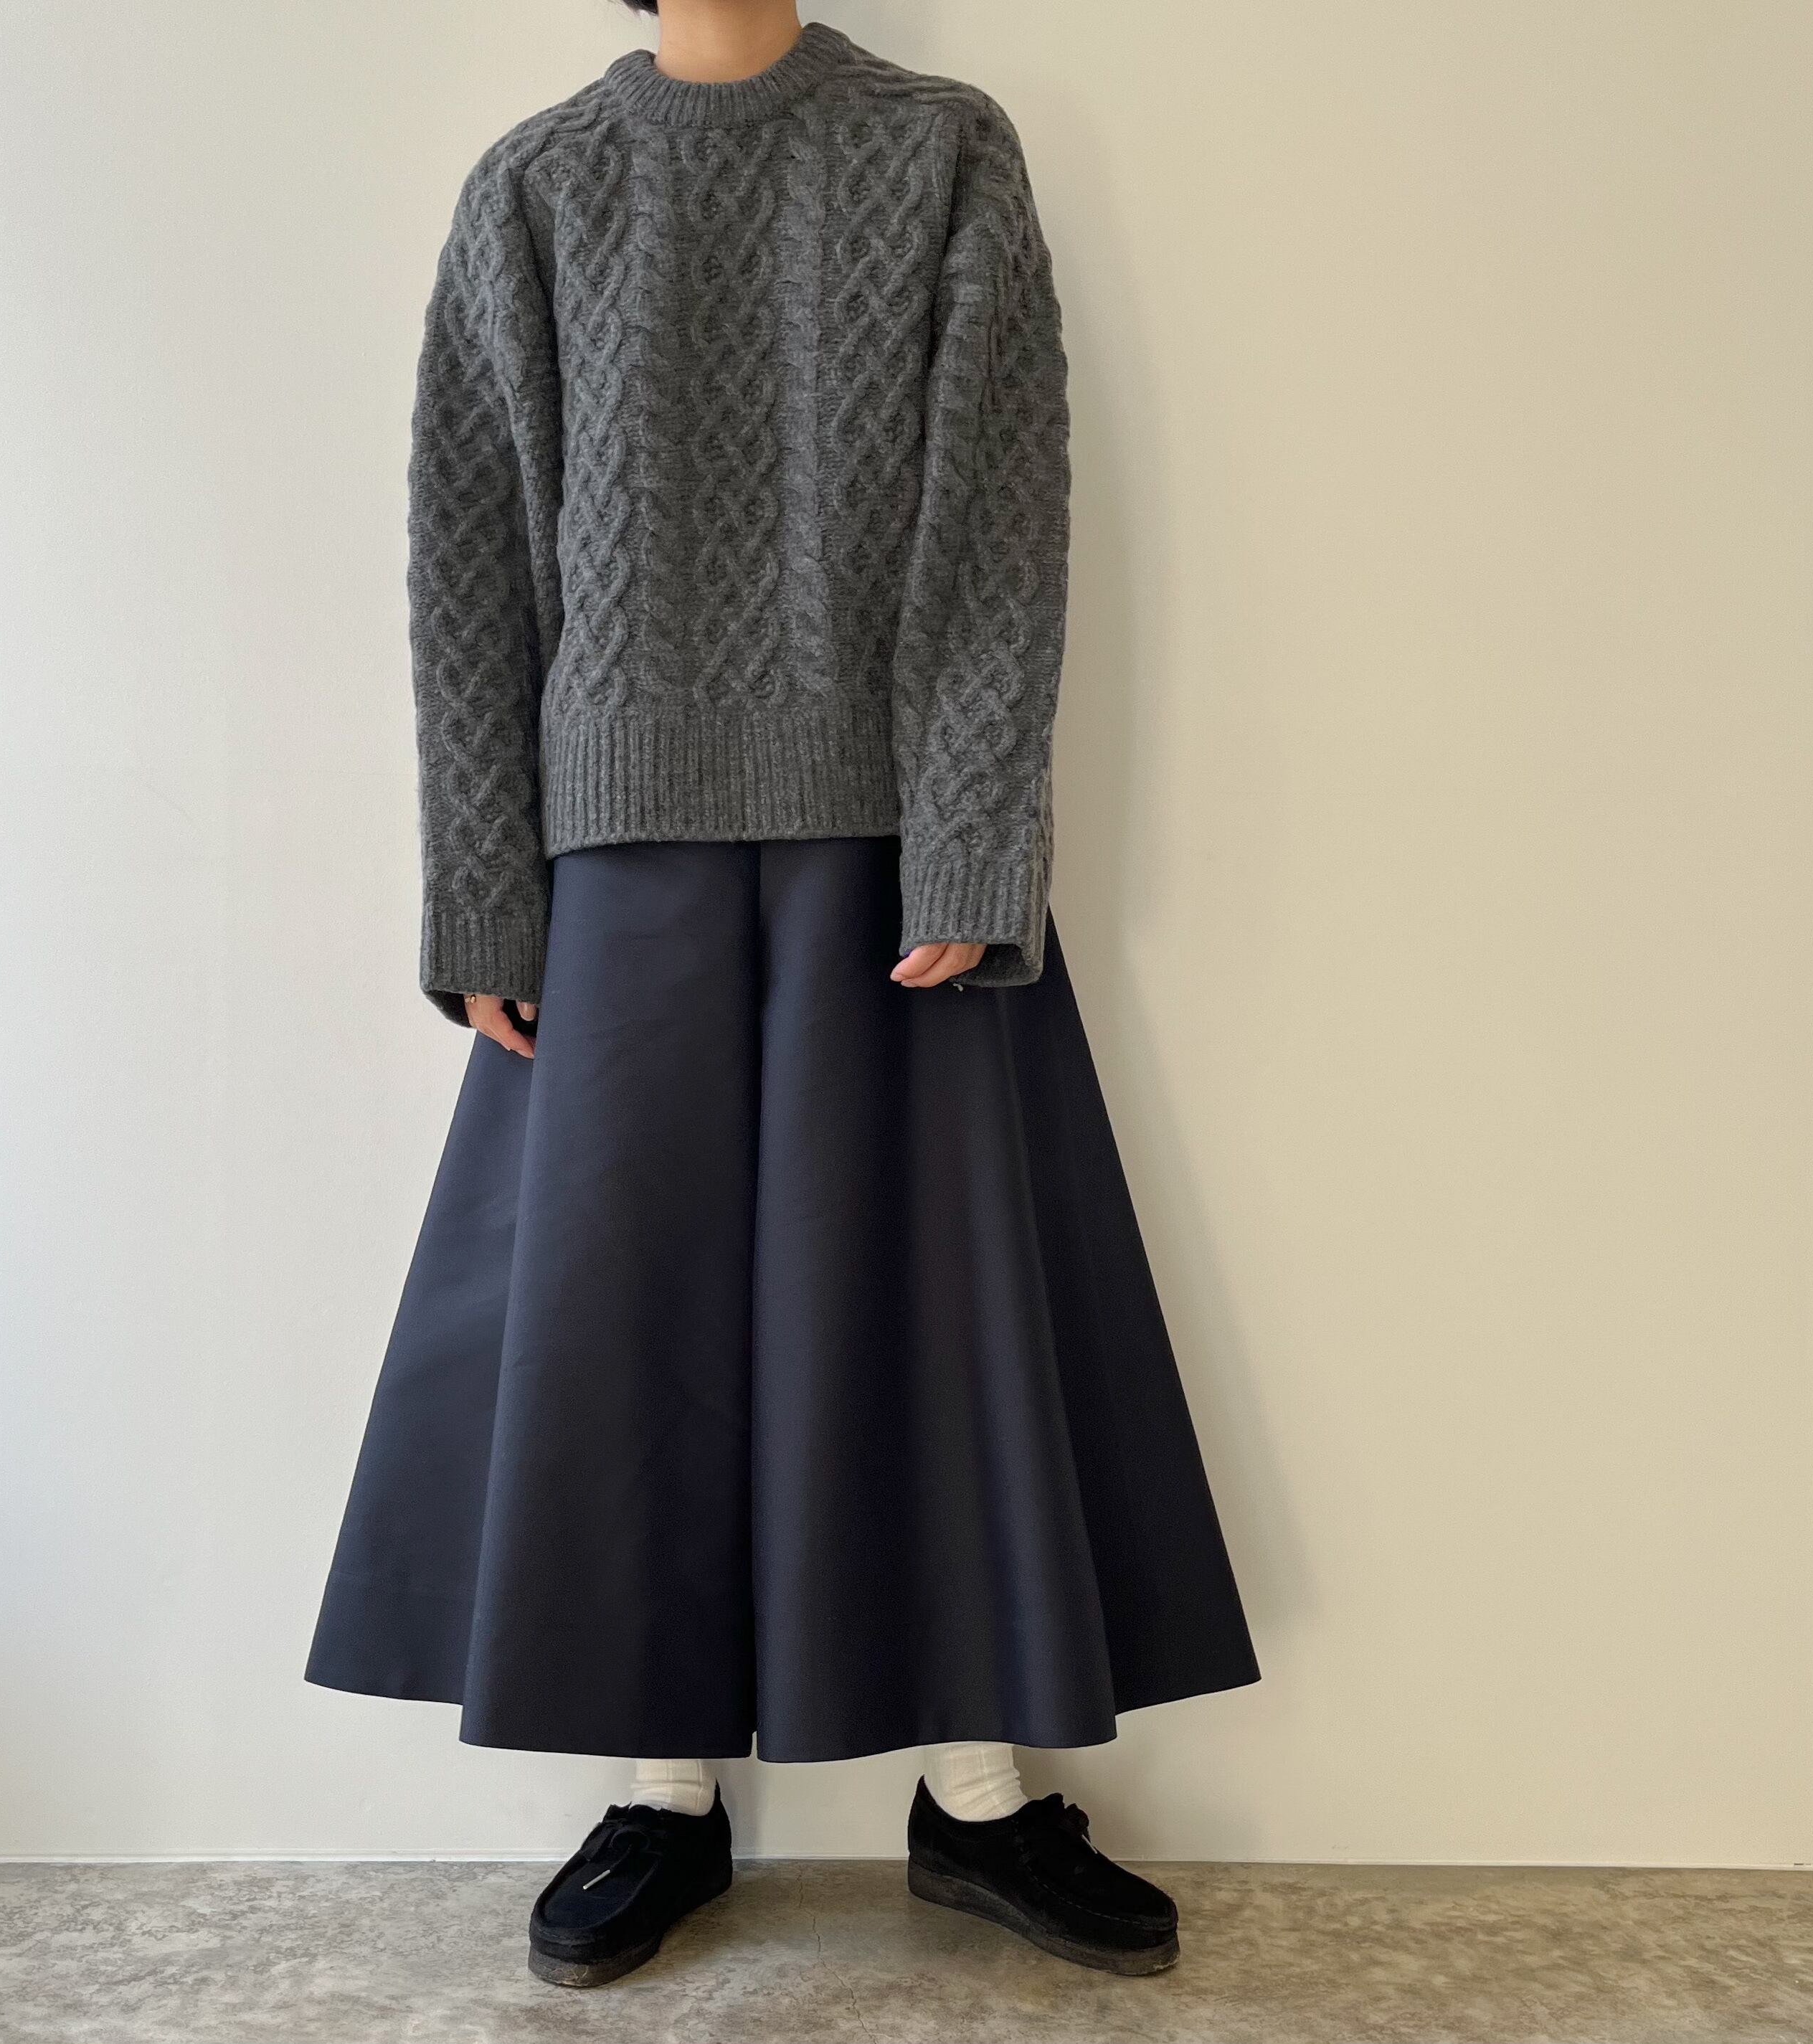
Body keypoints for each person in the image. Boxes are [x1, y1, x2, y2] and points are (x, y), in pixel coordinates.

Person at [306, 0, 1259, 1989]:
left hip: (888, 845)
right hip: (610, 858)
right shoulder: (536, 184)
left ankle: (976, 1797)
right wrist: (482, 891)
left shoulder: (942, 147)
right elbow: (468, 552)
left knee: (932, 1301)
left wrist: (973, 838)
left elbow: (1000, 519)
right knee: (621, 1317)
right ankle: (663, 1794)